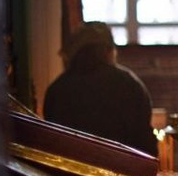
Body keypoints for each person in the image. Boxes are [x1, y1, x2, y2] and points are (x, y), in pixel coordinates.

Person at [43, 22, 157, 157]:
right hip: (121, 166)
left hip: (70, 168)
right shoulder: (129, 84)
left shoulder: (58, 89)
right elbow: (145, 143)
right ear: (109, 51)